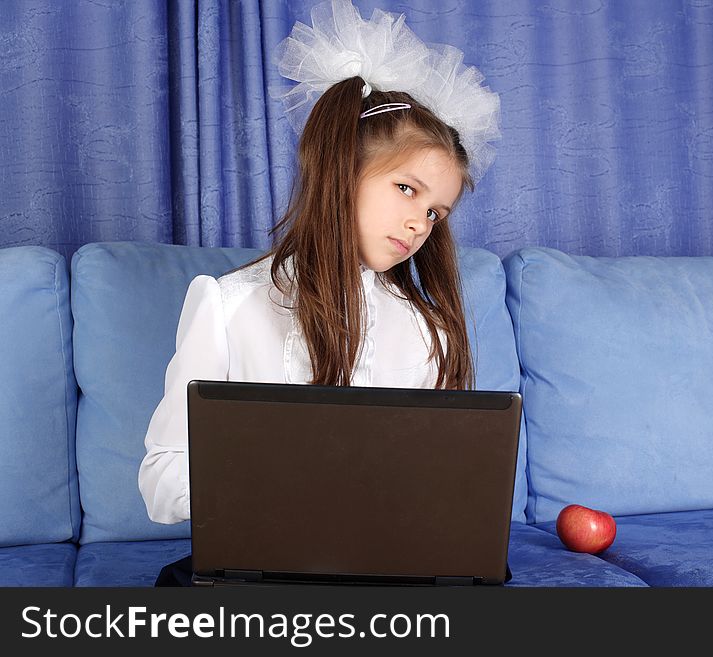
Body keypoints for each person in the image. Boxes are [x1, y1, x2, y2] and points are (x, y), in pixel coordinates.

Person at [137, 0, 500, 527]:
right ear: (341, 172)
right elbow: (162, 481)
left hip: (386, 565)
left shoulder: (427, 329)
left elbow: (438, 477)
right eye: (405, 189)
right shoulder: (226, 305)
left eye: (435, 212)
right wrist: (285, 477)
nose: (421, 223)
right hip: (262, 561)